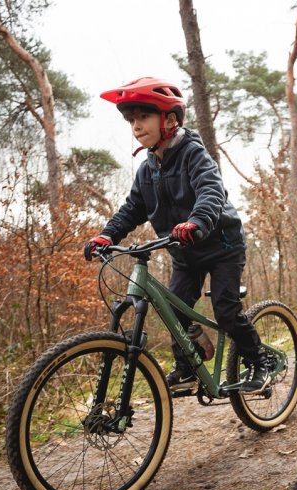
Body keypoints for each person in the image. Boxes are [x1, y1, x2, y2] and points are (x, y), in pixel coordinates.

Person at [84, 77, 269, 393]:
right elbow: (133, 209)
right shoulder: (147, 169)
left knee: (225, 310)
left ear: (169, 120)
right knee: (173, 309)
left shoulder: (193, 154)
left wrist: (197, 222)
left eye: (143, 117)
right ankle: (187, 369)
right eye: (132, 119)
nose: (136, 126)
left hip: (221, 245)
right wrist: (106, 235)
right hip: (184, 253)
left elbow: (211, 190)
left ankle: (258, 362)